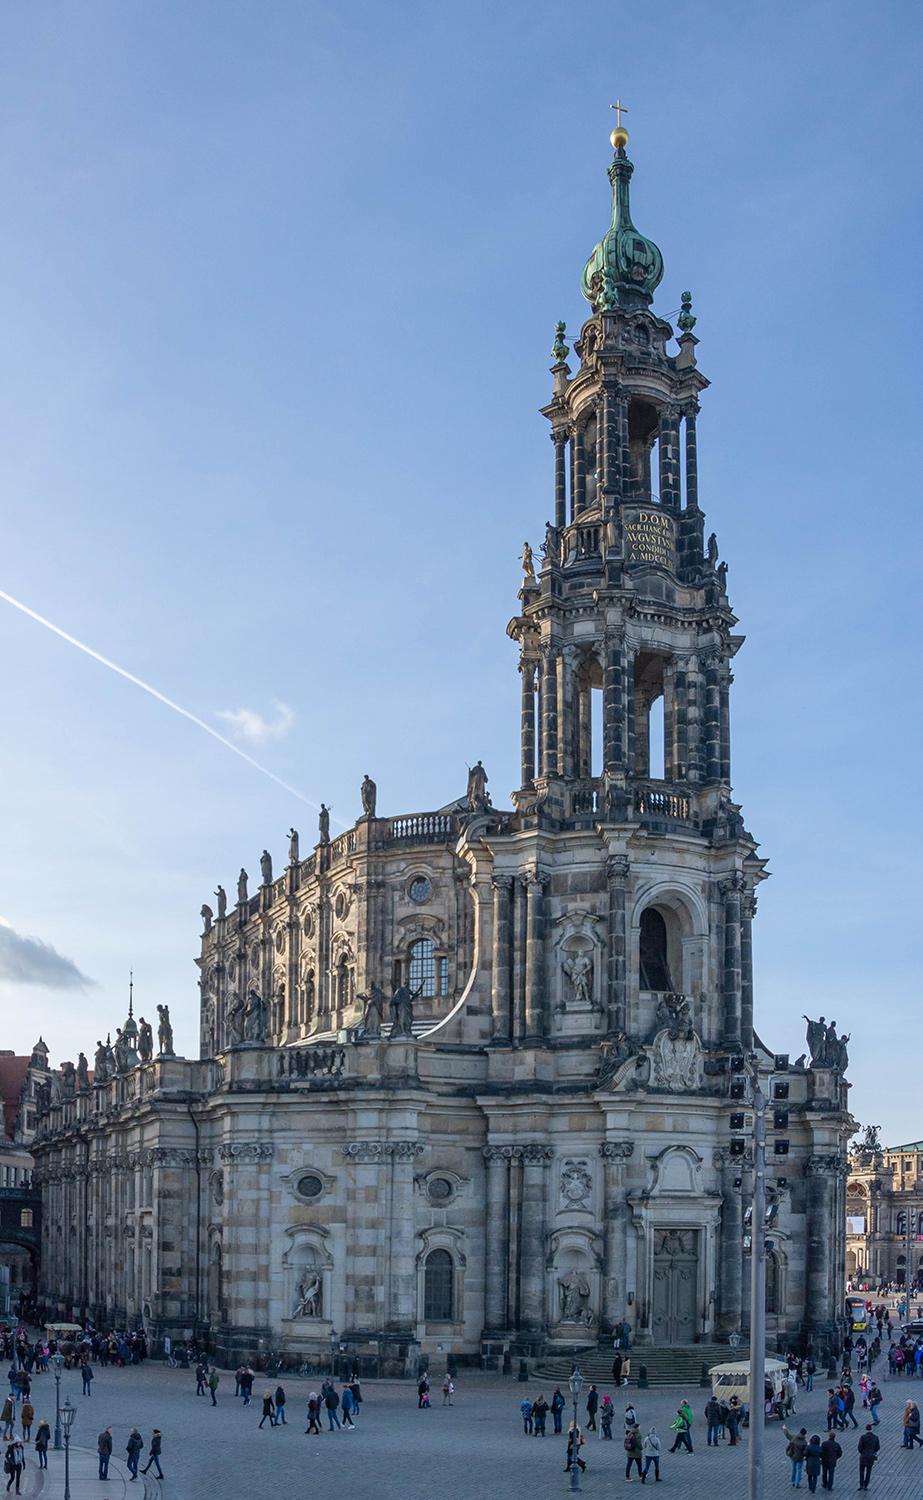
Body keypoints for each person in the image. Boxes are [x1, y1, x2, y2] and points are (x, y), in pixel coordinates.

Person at [857, 1424, 879, 1490]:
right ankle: (866, 1485)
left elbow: (859, 1447)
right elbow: (878, 1447)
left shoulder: (863, 1437)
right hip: (871, 1456)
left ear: (866, 1429)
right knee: (869, 1471)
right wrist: (873, 1451)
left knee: (861, 1471)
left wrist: (862, 1452)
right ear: (871, 1429)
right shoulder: (875, 1437)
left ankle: (861, 1485)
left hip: (863, 1456)